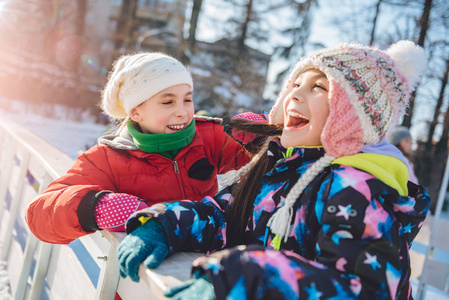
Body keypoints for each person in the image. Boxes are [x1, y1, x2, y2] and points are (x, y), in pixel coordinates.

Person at [117, 41, 431, 299]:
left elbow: (364, 291)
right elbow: (225, 215)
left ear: (353, 115)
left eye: (318, 88)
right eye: (295, 83)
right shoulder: (279, 167)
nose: (294, 94)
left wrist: (246, 277)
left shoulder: (357, 189)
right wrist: (165, 225)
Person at [25, 52, 250, 244]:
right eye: (168, 102)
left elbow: (266, 154)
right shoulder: (107, 159)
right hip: (140, 276)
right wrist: (94, 207)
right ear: (135, 112)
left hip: (201, 267)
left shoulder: (208, 136)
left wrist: (257, 133)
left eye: (187, 100)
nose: (182, 111)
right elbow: (38, 215)